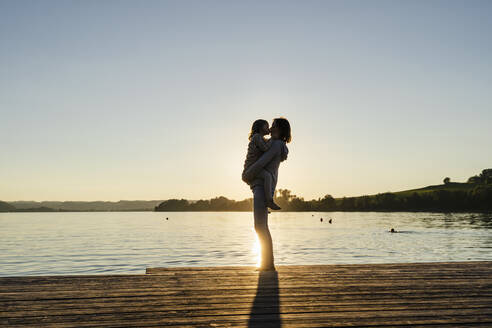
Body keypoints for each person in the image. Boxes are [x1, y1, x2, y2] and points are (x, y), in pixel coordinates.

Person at [242, 118, 291, 271]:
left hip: (262, 187)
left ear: (281, 130)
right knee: (261, 226)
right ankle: (267, 263)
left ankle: (268, 264)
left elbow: (261, 163)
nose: (271, 128)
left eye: (274, 125)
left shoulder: (276, 145)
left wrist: (247, 175)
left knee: (260, 226)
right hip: (262, 186)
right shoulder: (275, 144)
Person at [242, 119, 281, 210]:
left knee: (266, 178)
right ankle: (269, 201)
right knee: (267, 176)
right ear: (260, 128)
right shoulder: (256, 137)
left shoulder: (261, 139)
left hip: (253, 170)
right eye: (266, 126)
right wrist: (273, 138)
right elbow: (265, 148)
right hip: (249, 170)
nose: (269, 128)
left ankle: (264, 205)